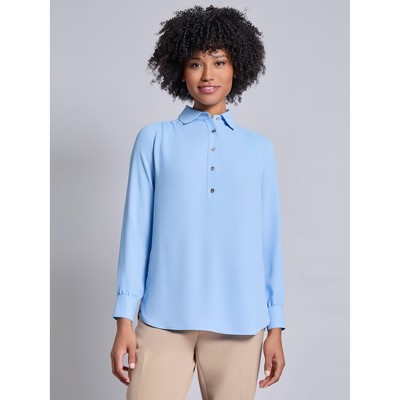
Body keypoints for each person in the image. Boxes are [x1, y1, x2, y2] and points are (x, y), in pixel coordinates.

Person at [110, 5, 286, 400]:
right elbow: (136, 231)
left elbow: (269, 240)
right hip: (163, 318)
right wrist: (124, 318)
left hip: (240, 323)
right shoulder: (154, 139)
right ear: (180, 70)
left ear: (237, 68)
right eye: (196, 63)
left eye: (219, 62)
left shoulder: (259, 149)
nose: (208, 75)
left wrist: (276, 325)